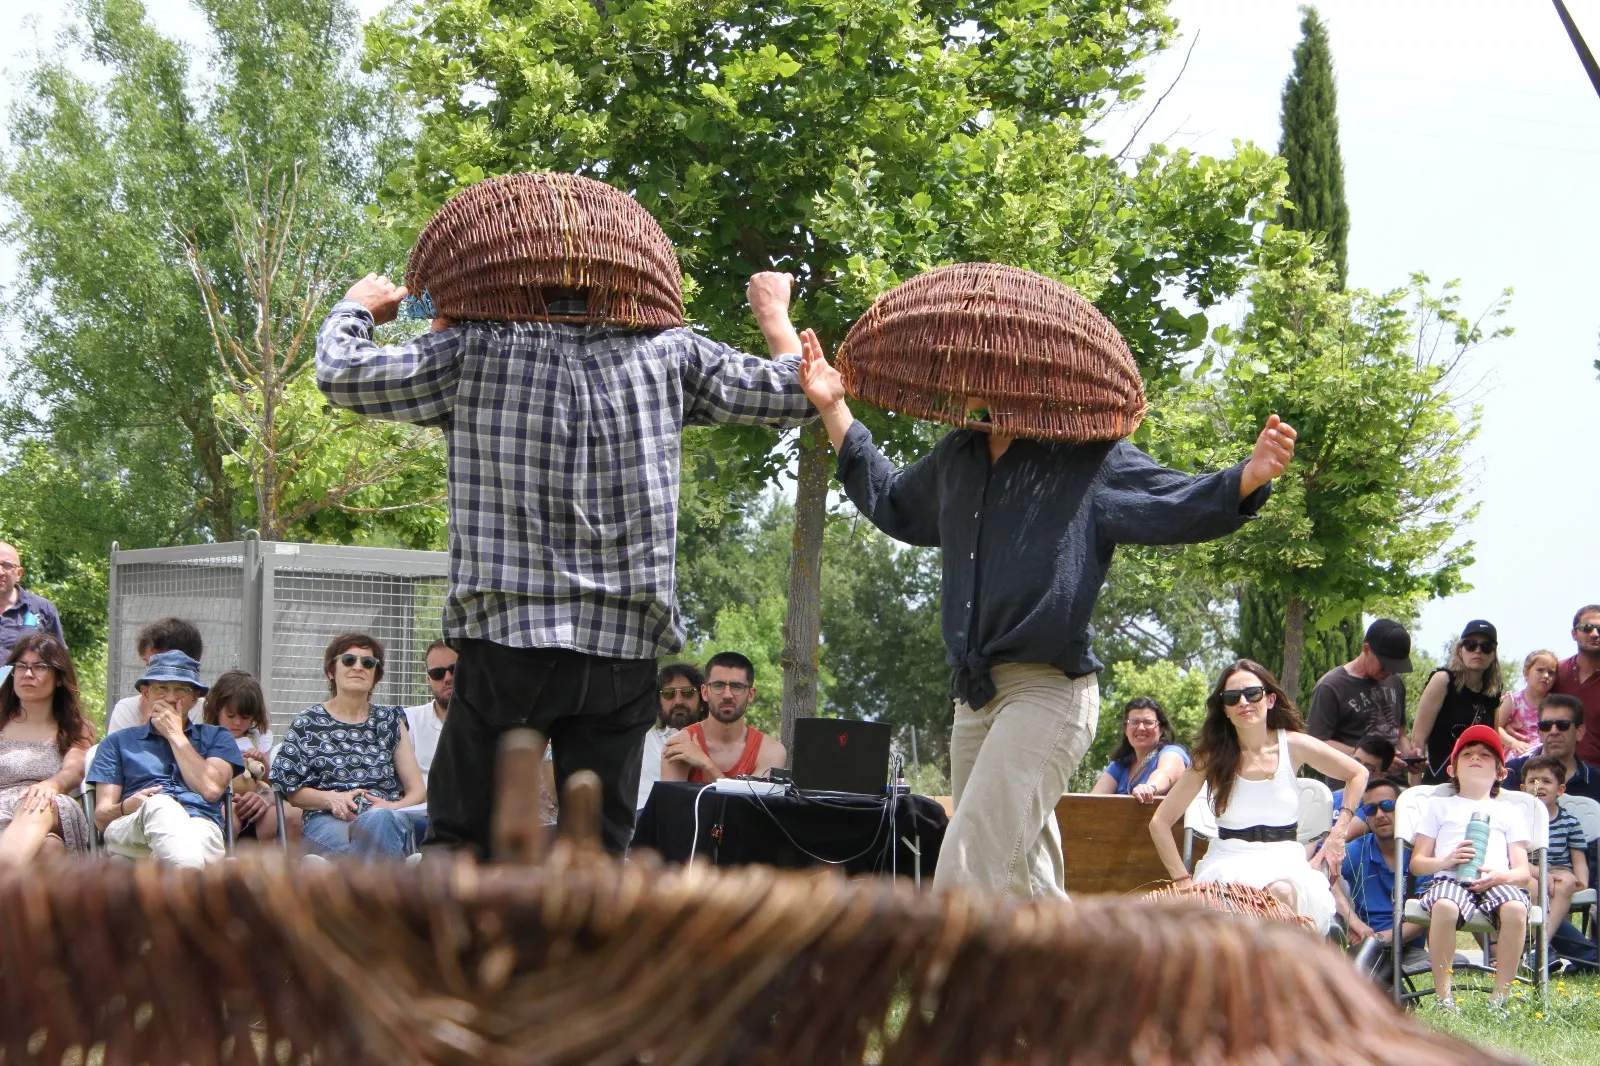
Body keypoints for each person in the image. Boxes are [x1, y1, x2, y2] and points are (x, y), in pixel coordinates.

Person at [317, 269, 815, 860]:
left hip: (505, 644)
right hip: (621, 648)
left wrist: (358, 306)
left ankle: (463, 950)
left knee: (461, 843)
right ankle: (584, 949)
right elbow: (802, 393)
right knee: (596, 853)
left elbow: (342, 372)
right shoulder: (670, 354)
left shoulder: (474, 350)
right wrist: (772, 313)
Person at [798, 331, 1296, 901]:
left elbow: (1172, 501)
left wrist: (1248, 477)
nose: (965, 384)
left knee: (970, 859)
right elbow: (892, 502)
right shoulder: (955, 456)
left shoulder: (1086, 456)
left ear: (1024, 376)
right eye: (961, 370)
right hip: (974, 697)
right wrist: (834, 407)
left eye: (981, 371)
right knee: (1022, 877)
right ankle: (1069, 987)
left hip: (1048, 693)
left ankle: (948, 986)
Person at [1149, 660, 1366, 932]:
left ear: (1270, 699)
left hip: (1285, 859)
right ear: (1225, 710)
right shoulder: (1211, 758)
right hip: (1229, 862)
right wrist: (1182, 881)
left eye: (1252, 693)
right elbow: (1159, 823)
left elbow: (1358, 774)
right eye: (1232, 697)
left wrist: (1338, 835)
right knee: (1278, 897)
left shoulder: (1294, 745)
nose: (1243, 702)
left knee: (1284, 892)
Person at [1409, 725, 1531, 1012]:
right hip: (1449, 879)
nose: (1476, 758)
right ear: (1452, 769)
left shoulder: (1508, 811)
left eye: (1485, 755)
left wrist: (1501, 876)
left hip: (1496, 880)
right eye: (1467, 754)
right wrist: (1447, 860)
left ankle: (1500, 997)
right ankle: (1444, 997)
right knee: (1445, 907)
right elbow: (1417, 863)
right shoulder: (1439, 807)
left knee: (1516, 908)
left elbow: (1523, 872)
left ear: (1501, 772)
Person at [274, 634, 427, 860]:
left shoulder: (390, 722)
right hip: (329, 819)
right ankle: (386, 886)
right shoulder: (308, 723)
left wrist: (392, 807)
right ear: (331, 671)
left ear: (376, 675)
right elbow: (292, 790)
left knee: (379, 824)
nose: (358, 667)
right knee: (377, 849)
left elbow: (417, 791)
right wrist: (331, 799)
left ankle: (357, 891)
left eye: (367, 663)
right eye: (348, 660)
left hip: (386, 820)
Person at [87, 651, 243, 868]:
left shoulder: (217, 737)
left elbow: (211, 789)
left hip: (200, 824)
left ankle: (177, 884)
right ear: (146, 693)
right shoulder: (117, 743)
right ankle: (189, 887)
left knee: (191, 841)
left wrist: (175, 735)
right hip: (133, 825)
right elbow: (102, 819)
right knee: (161, 806)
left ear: (195, 698)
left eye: (181, 689)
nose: (170, 697)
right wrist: (125, 807)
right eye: (161, 688)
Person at [0, 634, 93, 862]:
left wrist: (51, 785)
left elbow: (74, 770)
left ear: (59, 678)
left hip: (50, 802)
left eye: (39, 667)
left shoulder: (76, 727)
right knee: (49, 849)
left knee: (36, 801)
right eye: (21, 666)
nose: (27, 674)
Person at [1335, 776, 1430, 982]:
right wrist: (1354, 922)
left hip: (1408, 951)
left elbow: (1422, 922)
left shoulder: (1421, 854)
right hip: (1360, 945)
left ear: (1403, 809)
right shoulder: (1356, 850)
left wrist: (1376, 939)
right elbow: (1325, 877)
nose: (1379, 814)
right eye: (1370, 810)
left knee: (1456, 964)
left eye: (1388, 805)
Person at [661, 653, 784, 783]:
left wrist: (707, 764)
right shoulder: (680, 744)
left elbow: (750, 803)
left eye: (737, 686)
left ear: (751, 694)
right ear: (704, 692)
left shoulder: (770, 751)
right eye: (718, 685)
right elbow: (672, 803)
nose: (727, 695)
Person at [203, 670, 291, 844]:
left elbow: (272, 781)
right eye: (230, 716)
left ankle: (273, 867)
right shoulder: (207, 737)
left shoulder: (257, 739)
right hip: (226, 803)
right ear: (216, 709)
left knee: (292, 814)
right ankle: (227, 865)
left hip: (257, 802)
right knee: (227, 816)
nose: (237, 723)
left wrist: (262, 761)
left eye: (245, 717)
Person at [1410, 621, 1502, 785]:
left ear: (1493, 653)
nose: (1478, 651)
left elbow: (1493, 743)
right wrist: (1414, 791)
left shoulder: (1492, 692)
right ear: (1460, 649)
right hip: (1439, 781)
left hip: (1476, 784)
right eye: (1470, 645)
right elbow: (1418, 739)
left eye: (1486, 647)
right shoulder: (1443, 680)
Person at [1306, 619, 1411, 760]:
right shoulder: (1331, 687)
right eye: (1386, 665)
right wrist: (1366, 757)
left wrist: (1409, 755)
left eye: (1396, 667)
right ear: (1366, 649)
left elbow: (1401, 735)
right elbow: (1315, 744)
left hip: (1394, 781)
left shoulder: (1395, 681)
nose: (1391, 672)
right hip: (1351, 779)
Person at [1518, 754, 1589, 945]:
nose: (1538, 785)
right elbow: (1514, 857)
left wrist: (1582, 881)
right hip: (1530, 869)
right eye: (1532, 780)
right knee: (1530, 886)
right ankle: (1537, 944)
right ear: (1523, 789)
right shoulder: (1518, 822)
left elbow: (1578, 858)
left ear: (1560, 789)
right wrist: (1538, 872)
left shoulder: (1569, 822)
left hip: (1560, 870)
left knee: (1565, 882)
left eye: (1546, 781)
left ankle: (1543, 941)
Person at [105, 618, 206, 734]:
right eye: (148, 665)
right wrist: (148, 718)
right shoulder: (127, 709)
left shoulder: (208, 712)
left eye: (160, 665)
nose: (151, 673)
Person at [1088, 697, 1189, 803]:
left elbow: (1165, 774)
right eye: (1134, 722)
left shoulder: (1172, 753)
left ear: (1161, 729)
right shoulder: (1119, 766)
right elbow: (1093, 802)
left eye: (1148, 722)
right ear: (1126, 729)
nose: (1141, 728)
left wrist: (1149, 787)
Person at [1504, 694, 1600, 800]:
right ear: (1539, 732)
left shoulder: (1596, 781)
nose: (1553, 731)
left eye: (1563, 725)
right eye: (1546, 726)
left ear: (1580, 732)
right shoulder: (1512, 773)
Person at [638, 663, 703, 810]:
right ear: (658, 703)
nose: (678, 701)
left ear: (702, 700)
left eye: (687, 692)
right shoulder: (641, 739)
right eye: (668, 693)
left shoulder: (714, 740)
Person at [0, 543, 66, 673]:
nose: (0, 572)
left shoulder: (43, 609)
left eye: (7, 566)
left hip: (26, 691)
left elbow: (60, 661)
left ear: (19, 573)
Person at [403, 640, 456, 788]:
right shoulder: (409, 721)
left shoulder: (488, 723)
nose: (448, 678)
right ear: (428, 679)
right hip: (419, 808)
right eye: (437, 673)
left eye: (455, 669)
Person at [1556, 605, 1600, 768]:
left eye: (1599, 629)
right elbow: (1522, 702)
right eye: (1587, 628)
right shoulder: (1555, 672)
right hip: (1554, 773)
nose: (1595, 634)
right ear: (1574, 633)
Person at [1497, 649, 1559, 757]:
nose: (1546, 675)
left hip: (1546, 755)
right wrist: (1512, 743)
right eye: (1540, 670)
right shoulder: (1514, 700)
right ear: (1526, 673)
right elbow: (1496, 726)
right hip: (1518, 754)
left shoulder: (1555, 703)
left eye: (1551, 672)